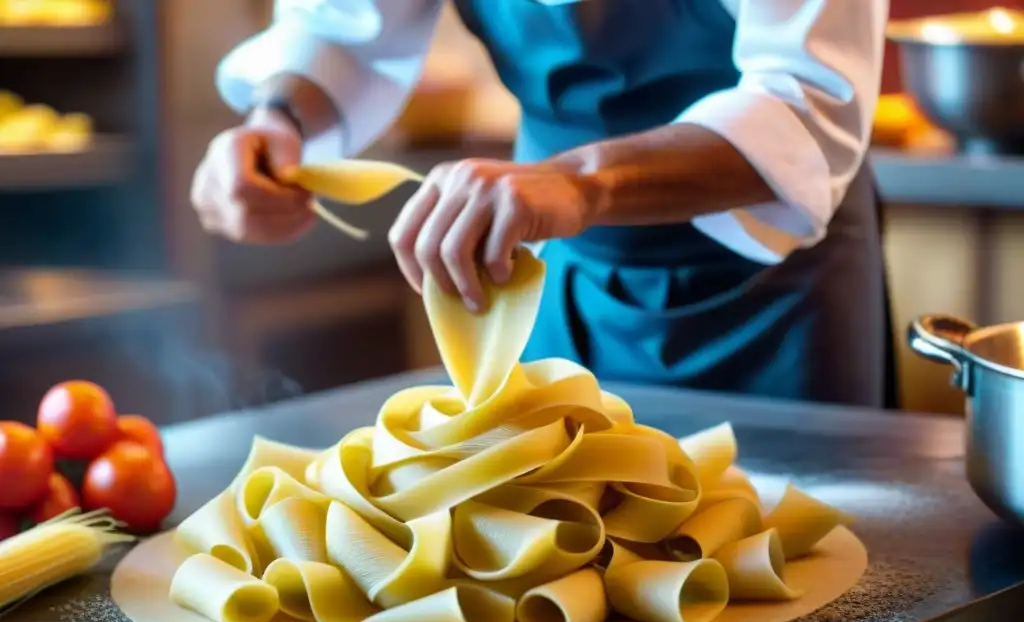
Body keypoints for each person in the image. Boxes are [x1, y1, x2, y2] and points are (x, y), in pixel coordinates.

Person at [192, 0, 896, 408]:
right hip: (551, 267)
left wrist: (583, 181)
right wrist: (276, 122)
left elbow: (808, 105)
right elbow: (345, 31)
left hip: (774, 292)